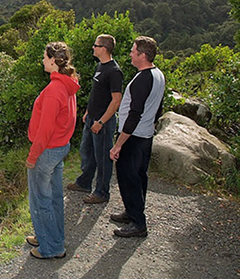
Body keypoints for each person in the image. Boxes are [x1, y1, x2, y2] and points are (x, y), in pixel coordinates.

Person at [26, 42, 80, 259]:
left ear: (52, 60)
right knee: (55, 196)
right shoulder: (67, 84)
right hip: (59, 148)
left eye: (44, 56)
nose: (42, 60)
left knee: (41, 199)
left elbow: (45, 129)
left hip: (47, 151)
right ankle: (47, 235)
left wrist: (33, 156)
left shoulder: (53, 90)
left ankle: (52, 248)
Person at [109, 36, 165, 237]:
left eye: (133, 51)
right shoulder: (158, 74)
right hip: (146, 134)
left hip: (134, 136)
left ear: (142, 55)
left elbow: (135, 113)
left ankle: (138, 223)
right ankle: (132, 211)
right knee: (140, 176)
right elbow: (158, 107)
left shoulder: (142, 79)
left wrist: (118, 144)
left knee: (128, 177)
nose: (130, 54)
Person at [67, 35, 123, 204]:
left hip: (102, 123)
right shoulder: (101, 66)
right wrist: (88, 112)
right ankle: (84, 183)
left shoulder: (114, 71)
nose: (93, 47)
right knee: (87, 152)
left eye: (96, 45)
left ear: (103, 49)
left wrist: (101, 122)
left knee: (103, 159)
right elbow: (96, 93)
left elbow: (116, 100)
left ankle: (102, 193)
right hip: (92, 117)